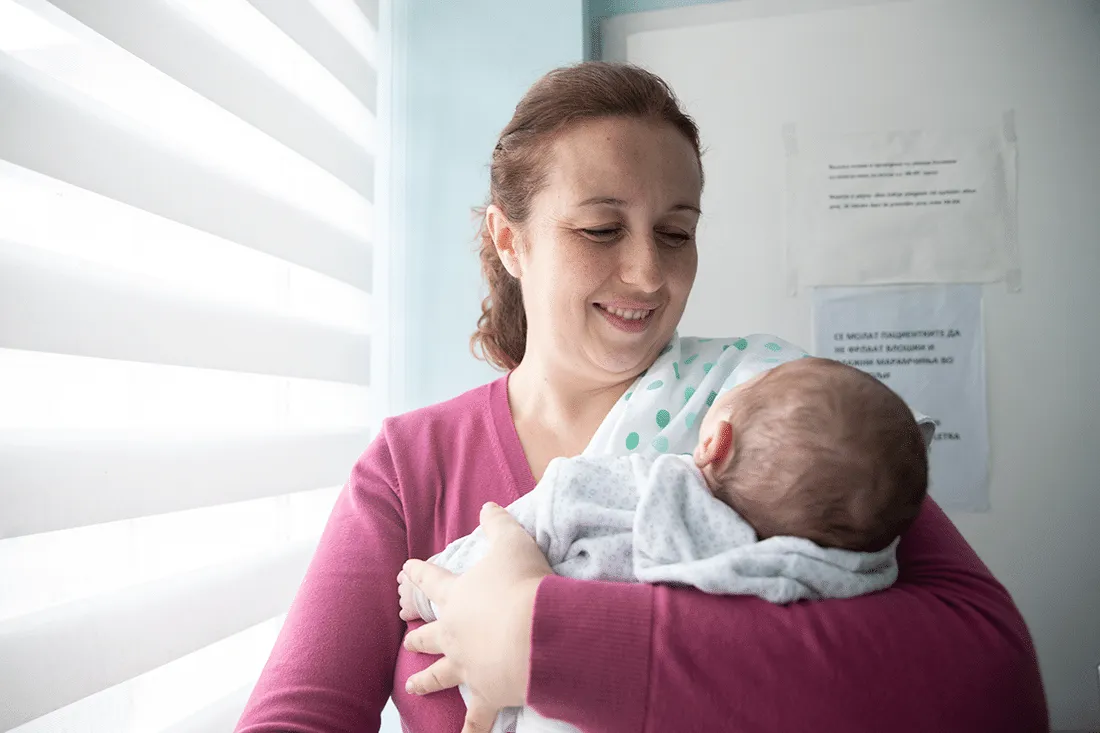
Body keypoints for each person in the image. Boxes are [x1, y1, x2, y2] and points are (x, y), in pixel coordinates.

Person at [235, 62, 1048, 733]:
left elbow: (993, 677)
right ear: (508, 239)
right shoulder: (410, 467)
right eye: (600, 230)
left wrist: (540, 639)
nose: (650, 275)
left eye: (676, 231)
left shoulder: (769, 405)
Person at [399, 355, 931, 733]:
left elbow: (509, 539)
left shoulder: (627, 489)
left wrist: (427, 591)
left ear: (715, 441)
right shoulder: (825, 575)